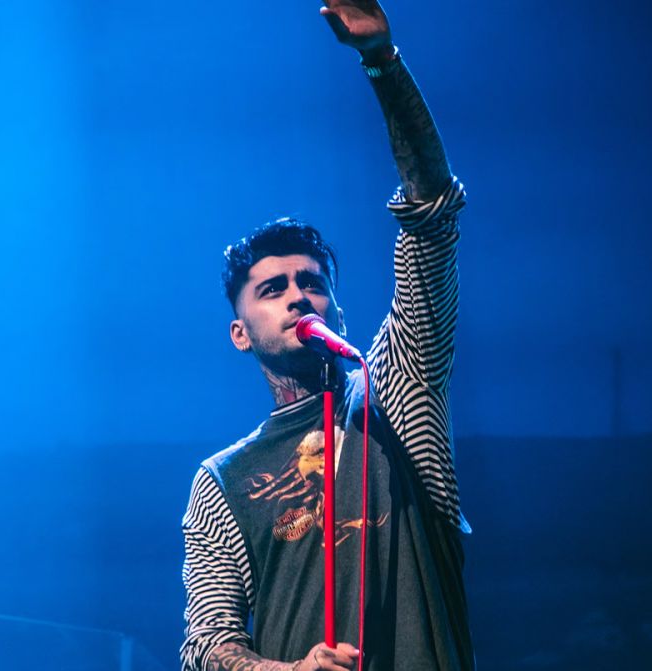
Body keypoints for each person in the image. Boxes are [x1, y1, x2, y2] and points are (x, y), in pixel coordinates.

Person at [180, 2, 472, 669]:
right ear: (240, 334)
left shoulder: (397, 389)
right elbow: (208, 647)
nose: (297, 296)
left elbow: (431, 213)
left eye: (311, 282)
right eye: (272, 289)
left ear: (336, 309)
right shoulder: (223, 480)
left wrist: (382, 61)